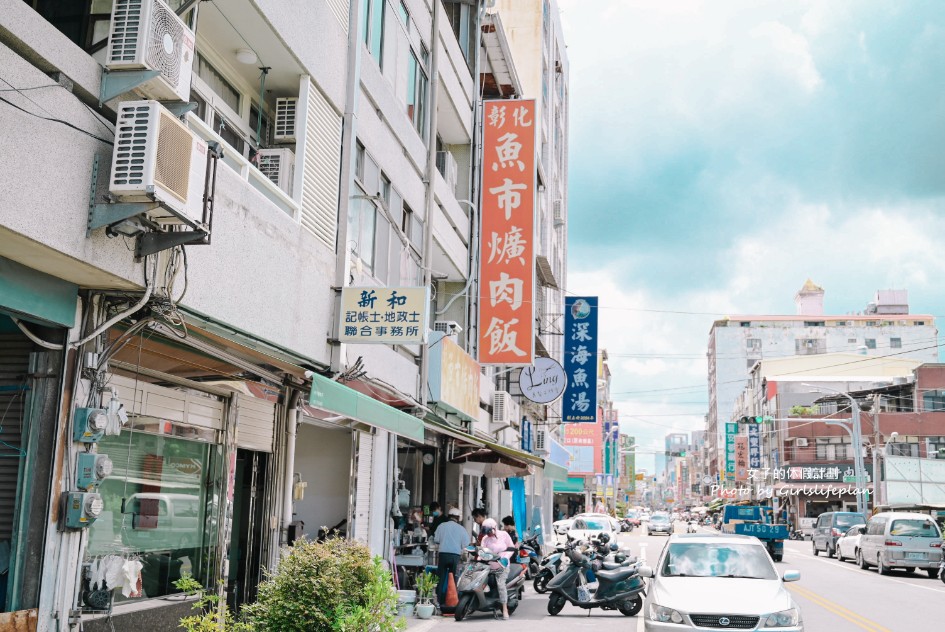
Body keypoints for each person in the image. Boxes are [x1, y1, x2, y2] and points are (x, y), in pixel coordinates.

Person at [433, 507, 469, 607]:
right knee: (454, 580)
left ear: (449, 516)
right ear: (458, 518)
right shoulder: (461, 529)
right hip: (455, 556)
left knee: (440, 579)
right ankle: (454, 602)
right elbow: (466, 544)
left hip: (443, 555)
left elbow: (436, 539)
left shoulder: (441, 526)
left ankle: (439, 602)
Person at [480, 518, 514, 620]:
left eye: (489, 531)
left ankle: (504, 608)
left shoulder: (504, 535)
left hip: (502, 566)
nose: (488, 534)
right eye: (486, 532)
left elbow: (511, 547)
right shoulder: (485, 539)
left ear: (494, 528)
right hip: (488, 566)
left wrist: (505, 557)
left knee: (501, 584)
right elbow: (482, 551)